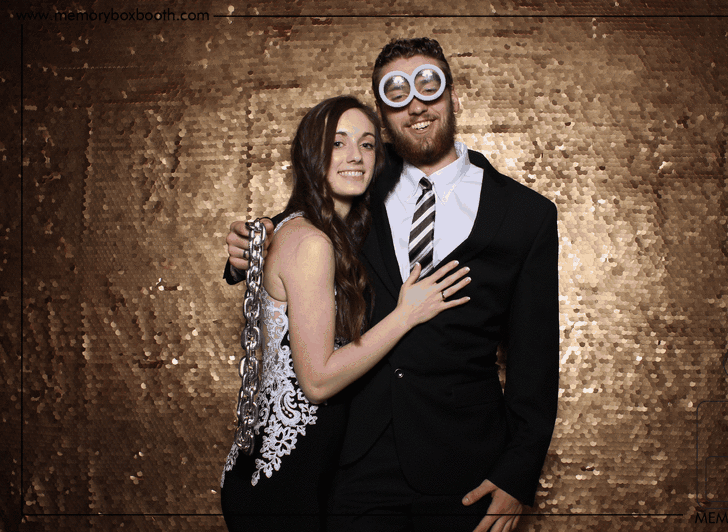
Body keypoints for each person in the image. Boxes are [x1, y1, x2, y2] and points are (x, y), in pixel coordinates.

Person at [225, 38, 559, 532]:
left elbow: (535, 358)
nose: (416, 105)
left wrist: (517, 473)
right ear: (382, 115)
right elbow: (304, 222)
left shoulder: (525, 214)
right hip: (354, 458)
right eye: (398, 94)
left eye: (429, 86)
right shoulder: (360, 177)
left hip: (465, 462)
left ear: (454, 97)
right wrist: (248, 250)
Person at [219, 95, 472, 532]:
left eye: (367, 144)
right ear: (310, 155)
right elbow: (317, 381)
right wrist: (406, 314)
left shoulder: (316, 229)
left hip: (303, 471)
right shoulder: (312, 244)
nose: (355, 155)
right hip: (286, 483)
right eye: (337, 143)